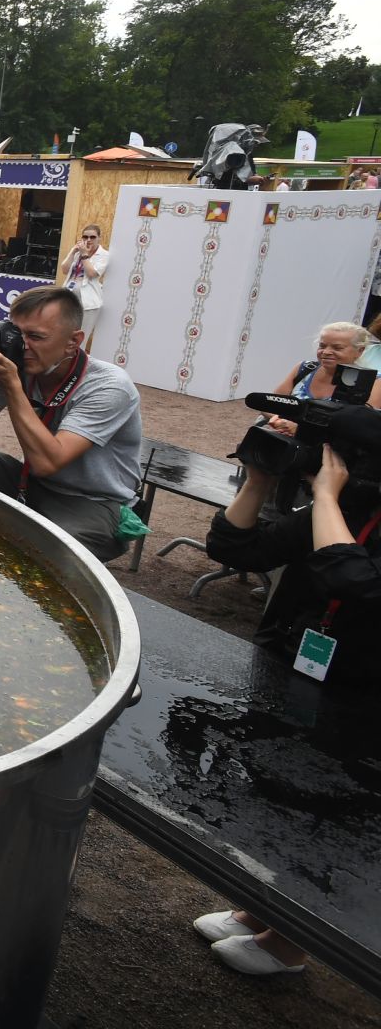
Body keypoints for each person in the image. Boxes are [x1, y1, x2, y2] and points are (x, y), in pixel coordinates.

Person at [192, 417, 381, 976]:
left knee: (337, 818)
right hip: (308, 672)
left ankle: (295, 944)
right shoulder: (360, 502)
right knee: (282, 792)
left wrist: (325, 495)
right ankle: (263, 912)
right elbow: (234, 547)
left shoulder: (343, 503)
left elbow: (356, 581)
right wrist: (259, 479)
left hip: (369, 699)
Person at [0, 285, 143, 562]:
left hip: (92, 501)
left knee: (54, 550)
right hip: (32, 482)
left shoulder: (109, 386)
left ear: (73, 341)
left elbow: (48, 461)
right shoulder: (23, 366)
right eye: (17, 333)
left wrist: (13, 387)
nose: (22, 345)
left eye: (35, 336)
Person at [60, 224, 110, 352]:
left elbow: (92, 273)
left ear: (99, 238)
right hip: (69, 296)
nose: (88, 240)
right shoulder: (78, 253)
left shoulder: (104, 255)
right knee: (64, 333)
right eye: (85, 237)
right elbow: (64, 269)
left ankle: (78, 366)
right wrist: (73, 251)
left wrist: (84, 255)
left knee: (81, 337)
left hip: (88, 302)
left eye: (92, 237)